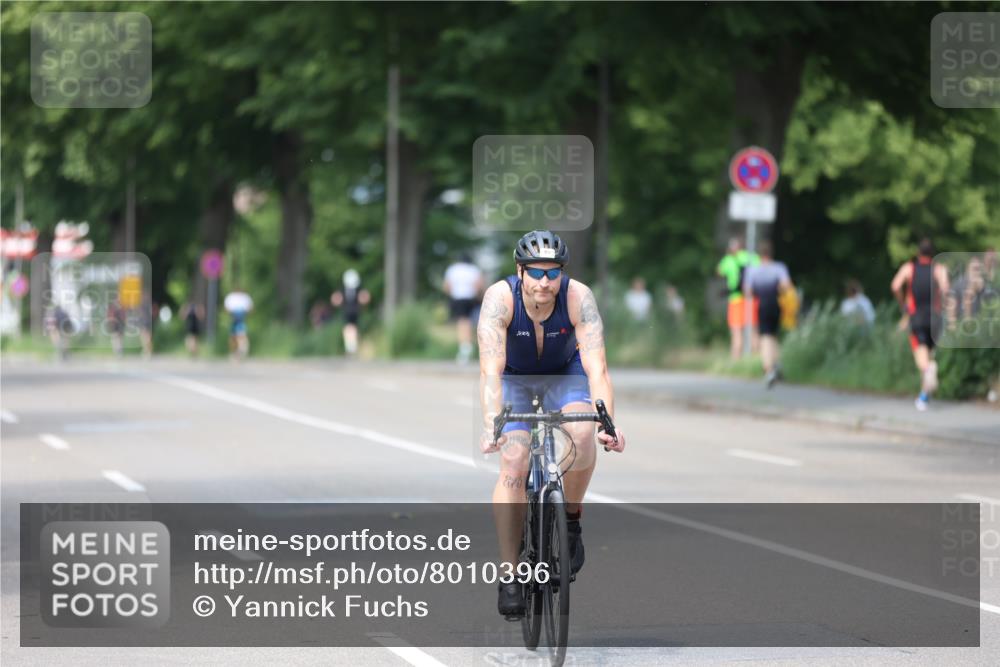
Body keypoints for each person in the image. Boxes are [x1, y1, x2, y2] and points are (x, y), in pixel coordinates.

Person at [478, 230, 626, 619]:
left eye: (553, 273)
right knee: (514, 460)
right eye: (536, 272)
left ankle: (571, 519)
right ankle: (510, 574)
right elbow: (490, 370)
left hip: (566, 375)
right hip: (513, 379)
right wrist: (492, 421)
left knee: (582, 435)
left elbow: (598, 368)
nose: (545, 282)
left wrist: (606, 421)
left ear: (562, 274)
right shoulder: (499, 299)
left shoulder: (579, 298)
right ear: (520, 271)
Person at [891, 238, 950, 411]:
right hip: (935, 319)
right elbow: (946, 291)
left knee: (923, 362)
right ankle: (923, 398)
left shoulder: (909, 268)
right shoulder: (939, 269)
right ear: (933, 253)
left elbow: (895, 286)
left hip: (917, 317)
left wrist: (904, 305)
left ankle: (928, 372)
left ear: (918, 252)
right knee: (929, 356)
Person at [744, 240, 793, 389]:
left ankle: (768, 369)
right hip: (776, 303)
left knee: (765, 337)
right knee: (773, 335)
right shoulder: (779, 267)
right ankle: (776, 364)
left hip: (762, 304)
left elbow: (748, 291)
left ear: (759, 254)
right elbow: (787, 286)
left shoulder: (752, 270)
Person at [717, 236, 759, 359]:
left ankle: (736, 360)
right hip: (751, 298)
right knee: (753, 330)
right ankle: (755, 360)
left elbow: (719, 272)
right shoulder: (752, 257)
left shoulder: (728, 259)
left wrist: (727, 256)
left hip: (735, 299)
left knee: (736, 332)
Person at [443, 253, 485, 363]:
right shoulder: (474, 269)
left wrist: (452, 294)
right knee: (470, 321)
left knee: (462, 321)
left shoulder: (452, 269)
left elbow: (447, 286)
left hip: (458, 297)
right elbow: (479, 285)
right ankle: (469, 344)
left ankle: (465, 346)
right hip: (470, 298)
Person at [331, 268, 370, 357]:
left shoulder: (358, 289)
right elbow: (336, 299)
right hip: (347, 312)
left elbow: (365, 297)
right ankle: (351, 348)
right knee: (349, 329)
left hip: (355, 311)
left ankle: (352, 348)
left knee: (352, 329)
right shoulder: (343, 289)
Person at [224, 288, 254, 359]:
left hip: (241, 318)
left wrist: (245, 312)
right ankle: (235, 351)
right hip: (234, 318)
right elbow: (227, 309)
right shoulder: (231, 297)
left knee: (241, 335)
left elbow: (250, 308)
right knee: (233, 337)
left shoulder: (244, 297)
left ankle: (241, 350)